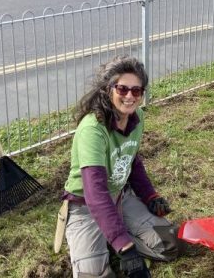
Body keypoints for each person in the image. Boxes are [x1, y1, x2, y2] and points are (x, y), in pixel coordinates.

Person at [62, 56, 180, 278]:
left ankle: (113, 235)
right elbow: (95, 194)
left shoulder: (137, 118)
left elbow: (132, 162)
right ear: (108, 90)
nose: (129, 96)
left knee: (169, 243)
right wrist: (126, 249)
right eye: (122, 89)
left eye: (137, 91)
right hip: (85, 206)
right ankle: (113, 239)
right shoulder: (93, 129)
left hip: (119, 197)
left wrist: (150, 196)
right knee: (94, 275)